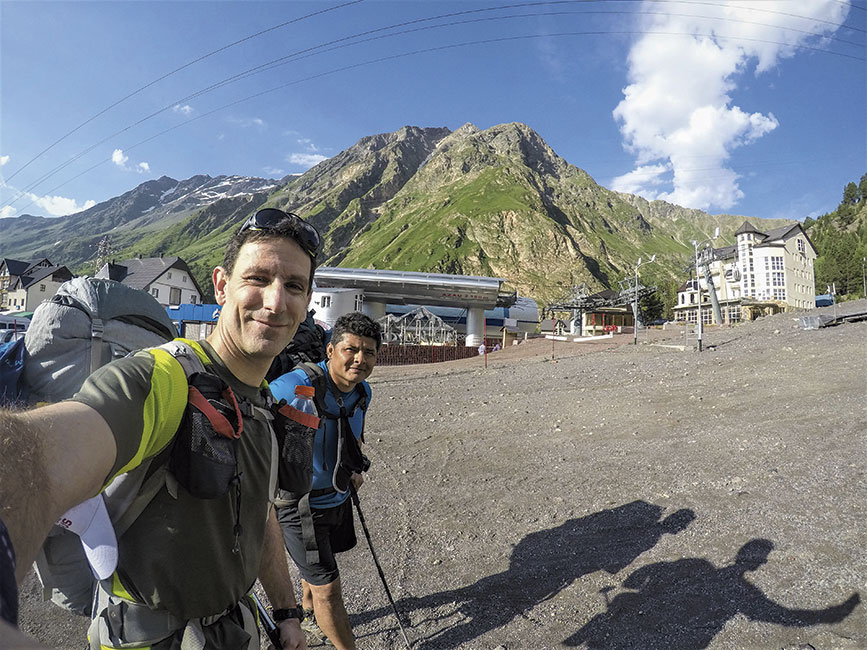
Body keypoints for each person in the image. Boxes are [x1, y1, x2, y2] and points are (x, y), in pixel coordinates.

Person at [0, 207, 323, 650]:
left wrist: (286, 612)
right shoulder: (162, 378)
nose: (274, 301)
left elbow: (258, 510)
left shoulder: (263, 402)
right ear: (222, 285)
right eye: (258, 278)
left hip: (235, 631)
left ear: (306, 305)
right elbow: (43, 453)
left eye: (293, 286)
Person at [269, 312, 382, 650]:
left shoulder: (363, 392)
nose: (360, 359)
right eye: (351, 349)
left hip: (337, 497)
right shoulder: (290, 386)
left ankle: (309, 608)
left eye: (369, 352)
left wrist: (356, 469)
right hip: (298, 505)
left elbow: (355, 435)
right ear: (330, 350)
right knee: (329, 589)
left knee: (320, 573)